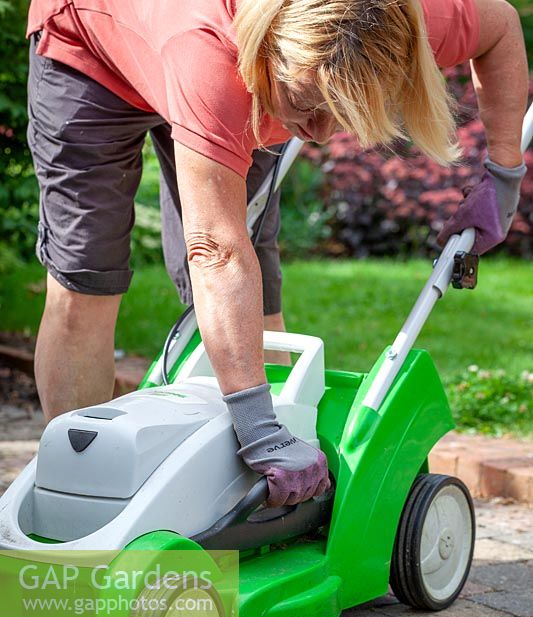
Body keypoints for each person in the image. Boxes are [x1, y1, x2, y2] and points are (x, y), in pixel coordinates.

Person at [26, 0, 528, 507]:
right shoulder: (208, 55)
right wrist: (258, 428)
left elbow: (500, 27)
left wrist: (505, 178)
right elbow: (216, 251)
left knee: (254, 271)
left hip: (236, 76)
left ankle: (261, 494)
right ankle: (77, 491)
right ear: (270, 53)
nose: (320, 133)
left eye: (339, 113)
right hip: (90, 53)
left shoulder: (390, 24)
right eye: (307, 105)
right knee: (86, 274)